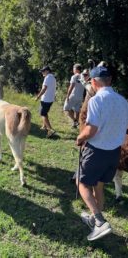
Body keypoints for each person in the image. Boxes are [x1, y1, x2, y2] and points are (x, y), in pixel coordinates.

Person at [76, 66, 128, 241]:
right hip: (114, 153)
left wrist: (80, 138)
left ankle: (99, 222)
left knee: (81, 183)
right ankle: (93, 216)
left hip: (96, 151)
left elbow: (91, 129)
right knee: (98, 186)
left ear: (93, 82)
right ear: (110, 81)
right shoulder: (123, 101)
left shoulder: (96, 100)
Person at [35, 66, 56, 138]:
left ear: (47, 71)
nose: (42, 72)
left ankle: (50, 130)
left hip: (46, 99)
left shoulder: (47, 78)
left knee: (43, 114)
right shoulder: (53, 77)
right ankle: (44, 126)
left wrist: (38, 96)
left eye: (43, 71)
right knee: (44, 112)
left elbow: (44, 88)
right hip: (50, 99)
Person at [63, 63, 84, 128]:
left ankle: (75, 121)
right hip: (80, 96)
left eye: (73, 68)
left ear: (76, 69)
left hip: (73, 95)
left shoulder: (74, 76)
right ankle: (75, 125)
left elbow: (71, 86)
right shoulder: (84, 76)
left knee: (66, 108)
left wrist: (67, 95)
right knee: (77, 111)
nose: (73, 70)